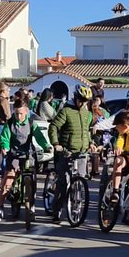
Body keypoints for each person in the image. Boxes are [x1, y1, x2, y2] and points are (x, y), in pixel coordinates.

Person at [0, 94, 51, 221]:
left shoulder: (32, 124)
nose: (18, 116)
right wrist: (5, 147)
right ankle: (0, 207)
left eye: (20, 113)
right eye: (16, 113)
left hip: (28, 155)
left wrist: (46, 146)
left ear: (26, 112)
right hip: (13, 154)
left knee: (32, 180)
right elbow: (5, 137)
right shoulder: (10, 124)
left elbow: (39, 137)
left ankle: (31, 207)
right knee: (8, 179)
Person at [48, 84, 94, 223]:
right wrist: (56, 144)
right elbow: (54, 127)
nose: (83, 103)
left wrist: (91, 143)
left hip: (81, 152)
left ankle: (76, 208)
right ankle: (56, 211)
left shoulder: (87, 113)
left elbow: (86, 131)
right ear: (75, 98)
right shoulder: (66, 111)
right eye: (81, 100)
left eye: (86, 101)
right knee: (64, 182)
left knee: (80, 179)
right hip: (66, 151)